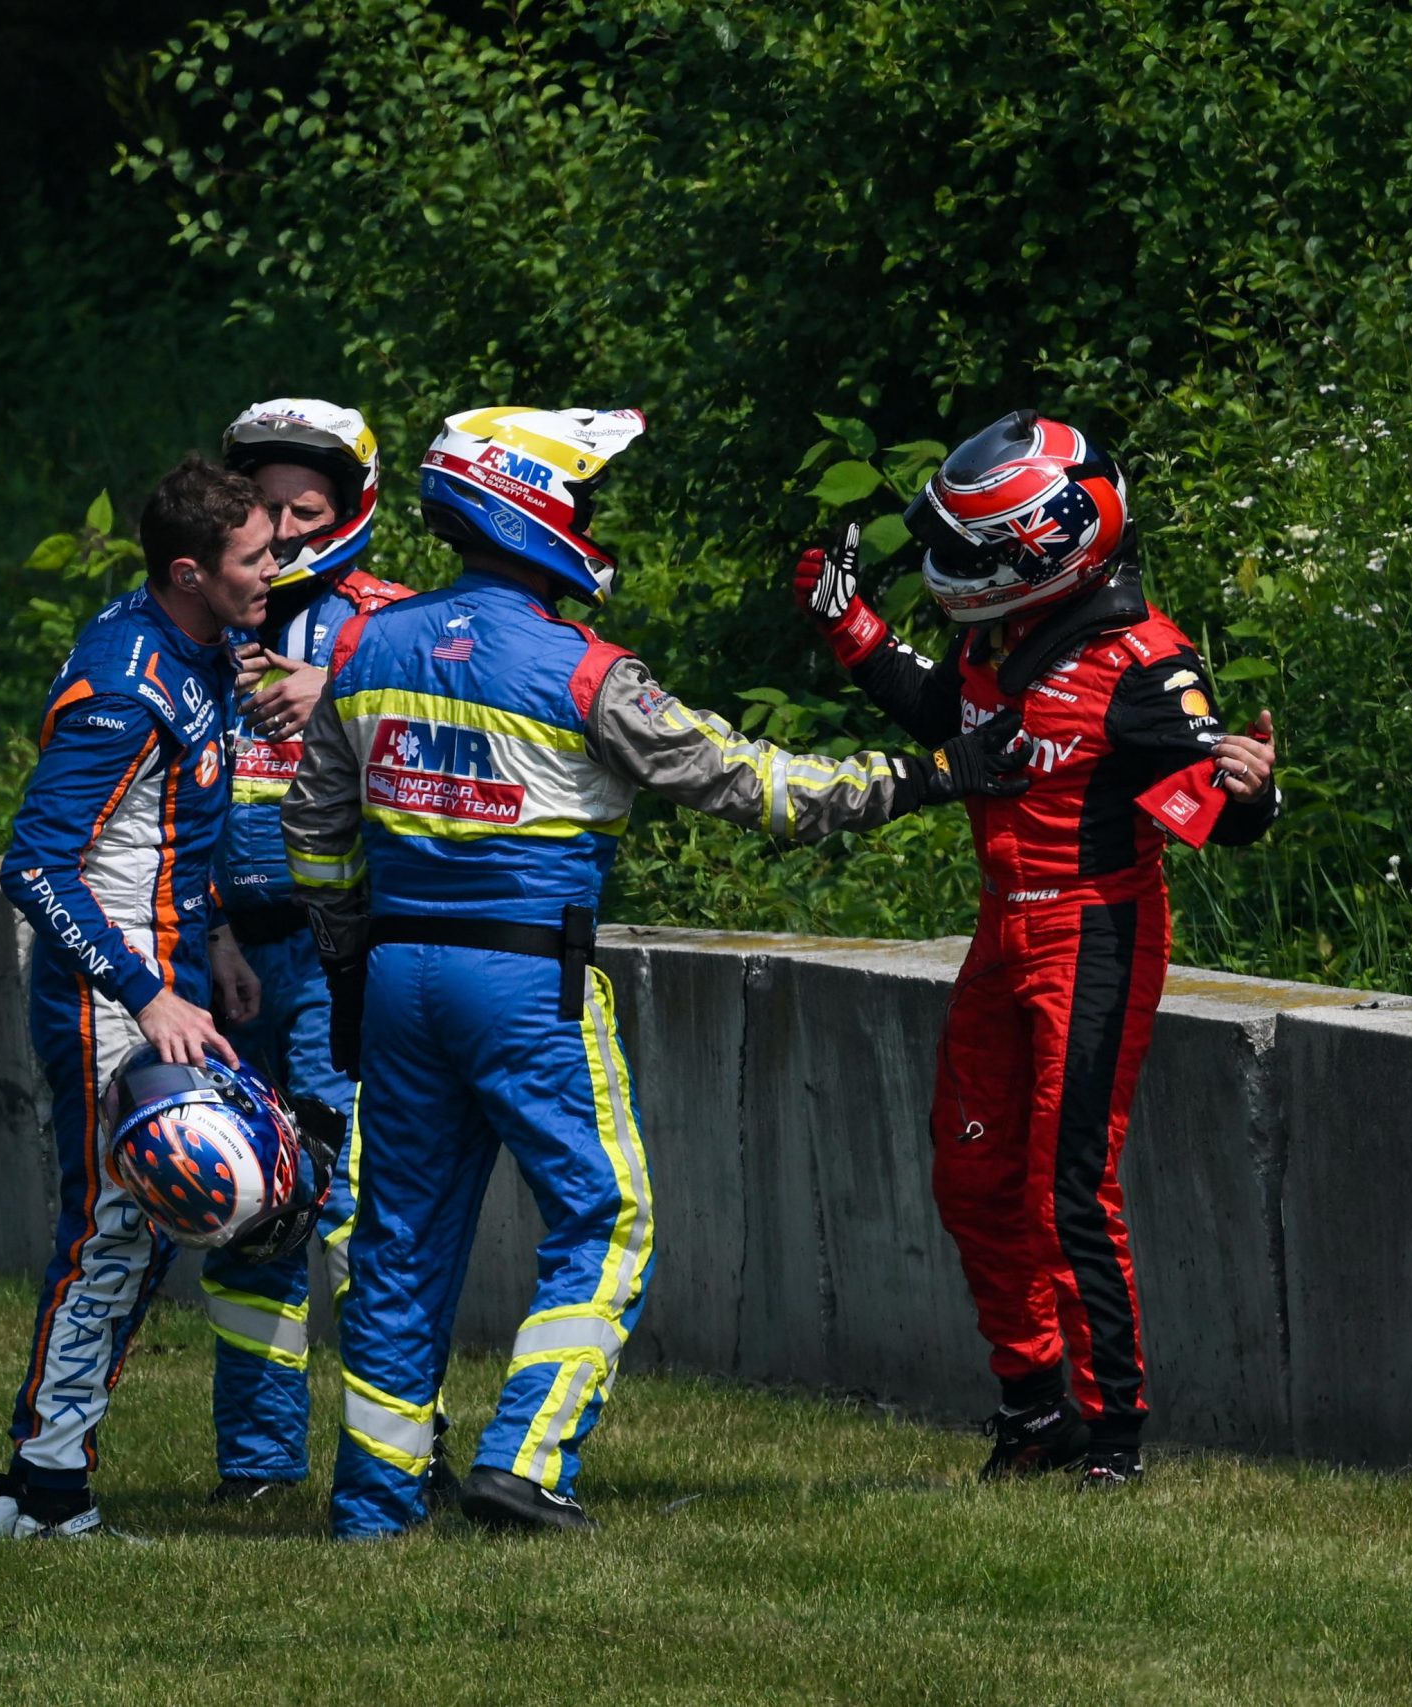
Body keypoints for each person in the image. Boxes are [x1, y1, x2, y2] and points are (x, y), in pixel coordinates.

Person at [282, 405, 1034, 1539]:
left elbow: (314, 829)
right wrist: (932, 774)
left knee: (396, 1242)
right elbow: (754, 785)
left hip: (393, 981)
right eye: (577, 500)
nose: (586, 521)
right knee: (607, 1217)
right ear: (529, 506)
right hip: (526, 982)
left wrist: (343, 967)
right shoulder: (585, 671)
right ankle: (526, 1461)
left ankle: (375, 1508)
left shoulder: (361, 646)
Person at [791, 408, 1280, 1491]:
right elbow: (941, 713)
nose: (949, 570)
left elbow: (1218, 805)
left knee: (1071, 1188)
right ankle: (1031, 1409)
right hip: (998, 927)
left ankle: (1113, 1437)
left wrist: (1253, 793)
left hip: (1093, 928)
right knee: (970, 1174)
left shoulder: (1145, 665)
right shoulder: (994, 639)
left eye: (971, 554)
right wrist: (847, 624)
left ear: (1046, 546)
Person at [0, 454, 287, 1540]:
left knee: (138, 1233)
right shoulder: (123, 686)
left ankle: (41, 1475)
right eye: (255, 557)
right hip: (107, 997)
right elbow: (36, 866)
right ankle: (45, 1485)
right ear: (190, 570)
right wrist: (147, 991)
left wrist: (215, 944)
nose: (276, 568)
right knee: (111, 1228)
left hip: (173, 979)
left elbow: (173, 831)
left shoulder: (198, 651)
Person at [203, 401, 421, 1502]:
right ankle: (256, 1468)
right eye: (263, 506)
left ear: (350, 511)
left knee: (356, 1211)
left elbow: (465, 718)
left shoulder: (391, 625)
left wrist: (337, 690)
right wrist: (211, 931)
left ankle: (385, 1469)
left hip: (351, 957)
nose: (282, 528)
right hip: (233, 958)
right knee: (245, 1205)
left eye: (306, 508)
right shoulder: (203, 614)